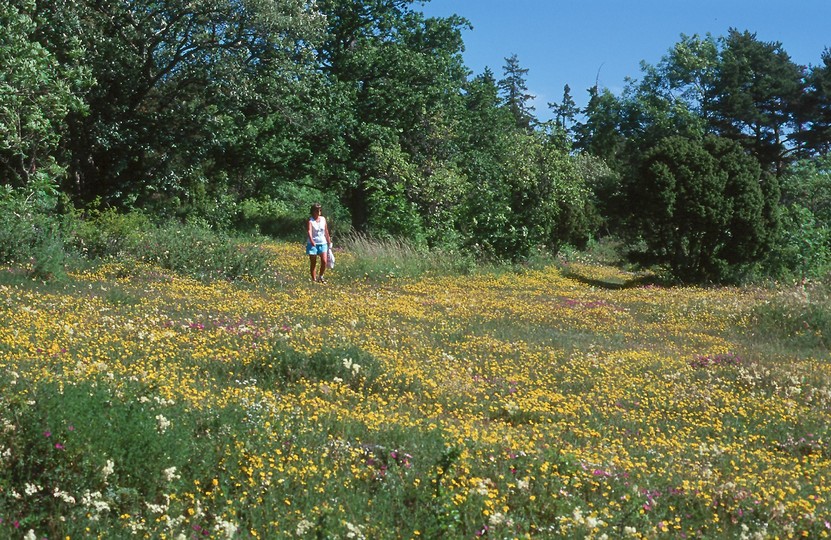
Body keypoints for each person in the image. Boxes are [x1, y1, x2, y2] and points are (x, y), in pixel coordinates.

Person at [306, 203, 331, 283]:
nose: (319, 212)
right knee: (313, 262)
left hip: (322, 242)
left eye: (320, 210)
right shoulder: (310, 221)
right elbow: (309, 231)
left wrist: (328, 240)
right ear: (313, 211)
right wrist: (312, 241)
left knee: (324, 261)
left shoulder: (323, 219)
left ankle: (321, 276)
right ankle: (314, 279)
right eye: (317, 210)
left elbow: (326, 230)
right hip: (313, 244)